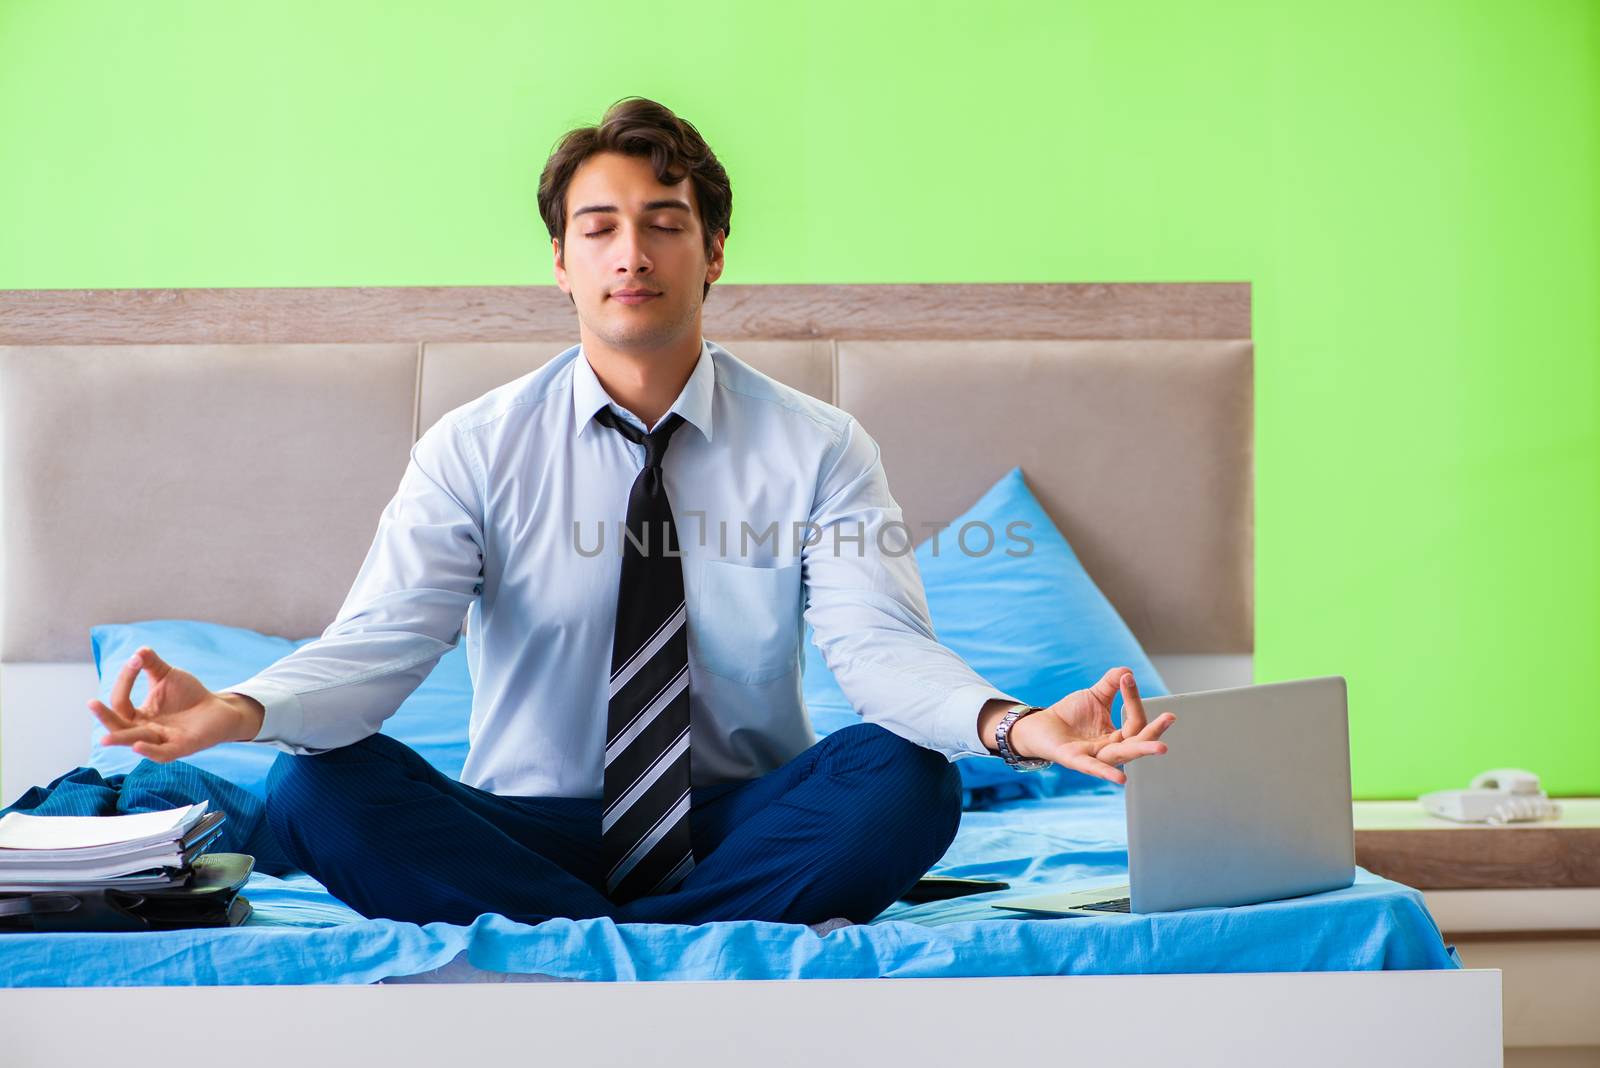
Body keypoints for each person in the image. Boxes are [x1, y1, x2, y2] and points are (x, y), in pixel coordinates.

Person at [89, 97, 1175, 929]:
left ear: (713, 254)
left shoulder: (819, 447)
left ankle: (592, 942)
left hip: (743, 822)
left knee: (903, 779)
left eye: (665, 223)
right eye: (599, 226)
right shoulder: (472, 448)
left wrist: (1017, 727)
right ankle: (676, 941)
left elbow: (880, 650)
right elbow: (379, 648)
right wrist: (230, 709)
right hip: (521, 828)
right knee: (320, 787)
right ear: (560, 263)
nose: (632, 252)